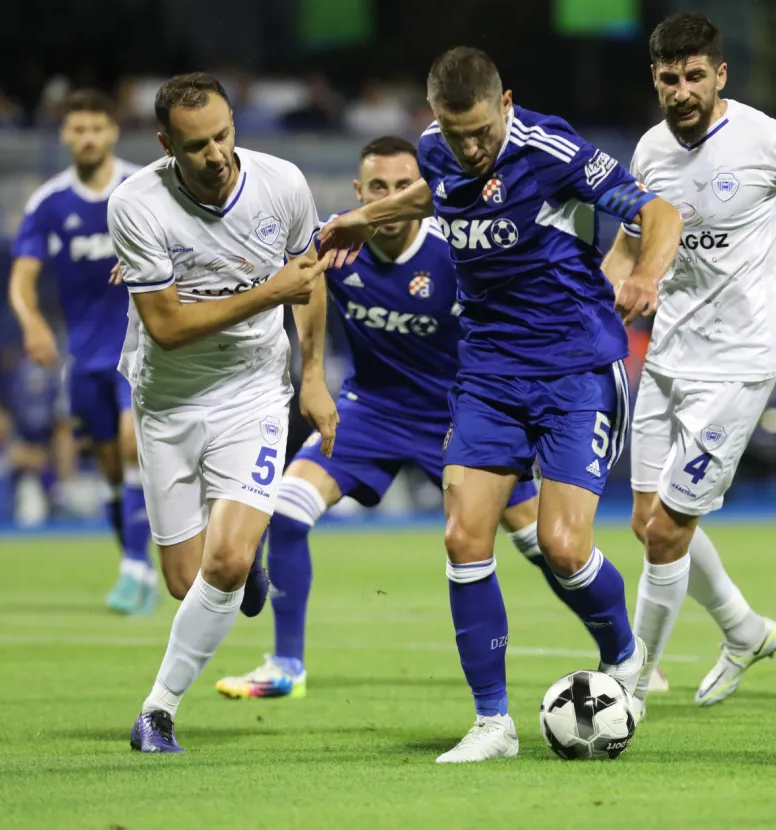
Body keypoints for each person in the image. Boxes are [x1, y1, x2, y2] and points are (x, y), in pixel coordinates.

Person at [319, 47, 683, 763]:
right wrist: (368, 217)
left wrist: (643, 274)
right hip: (485, 371)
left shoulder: (550, 149)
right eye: (456, 135)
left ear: (506, 104)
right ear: (435, 123)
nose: (470, 147)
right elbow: (437, 192)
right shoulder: (435, 150)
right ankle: (492, 723)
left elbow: (656, 209)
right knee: (462, 539)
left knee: (562, 546)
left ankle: (623, 651)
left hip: (574, 367)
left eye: (482, 132)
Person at [215, 135, 597, 700]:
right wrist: (313, 374)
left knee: (547, 543)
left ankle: (618, 647)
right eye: (377, 187)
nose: (388, 198)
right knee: (288, 511)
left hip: (459, 413)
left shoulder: (456, 248)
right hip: (370, 409)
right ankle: (285, 667)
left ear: (418, 190)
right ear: (357, 191)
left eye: (401, 187)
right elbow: (285, 279)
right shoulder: (338, 239)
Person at [601, 12, 776, 720]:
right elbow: (628, 249)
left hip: (740, 364)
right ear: (654, 79)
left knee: (665, 532)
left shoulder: (770, 141)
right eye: (668, 78)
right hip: (667, 358)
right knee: (645, 521)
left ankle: (631, 683)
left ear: (719, 75)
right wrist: (590, 311)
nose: (681, 90)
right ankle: (744, 631)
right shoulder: (651, 150)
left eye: (694, 76)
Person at [112, 72, 337, 753]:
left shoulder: (282, 184)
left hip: (252, 393)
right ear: (164, 145)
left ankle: (157, 711)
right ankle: (243, 560)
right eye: (196, 145)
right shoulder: (136, 206)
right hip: (169, 401)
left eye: (223, 136)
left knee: (226, 561)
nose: (215, 155)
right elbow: (169, 328)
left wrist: (313, 377)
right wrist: (269, 291)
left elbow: (307, 281)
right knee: (188, 582)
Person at [8, 89, 154, 613]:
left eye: (97, 127)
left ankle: (135, 568)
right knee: (113, 472)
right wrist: (32, 324)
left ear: (113, 131)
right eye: (78, 129)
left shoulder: (144, 188)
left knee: (130, 441)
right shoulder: (49, 203)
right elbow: (22, 277)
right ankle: (139, 567)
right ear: (65, 135)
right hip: (85, 357)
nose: (88, 137)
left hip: (141, 347)